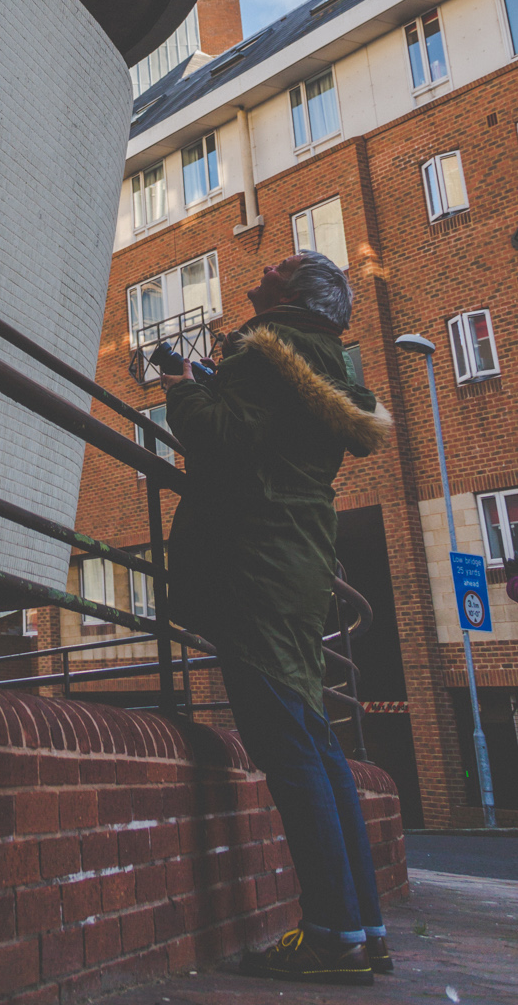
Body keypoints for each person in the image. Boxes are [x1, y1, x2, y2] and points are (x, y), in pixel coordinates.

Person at [160, 251, 394, 984]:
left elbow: (224, 440)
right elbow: (271, 440)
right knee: (317, 748)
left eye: (279, 264)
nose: (262, 267)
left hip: (254, 564)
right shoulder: (324, 360)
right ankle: (363, 929)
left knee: (289, 750)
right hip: (294, 562)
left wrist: (177, 387)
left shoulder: (267, 350)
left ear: (290, 292)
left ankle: (330, 935)